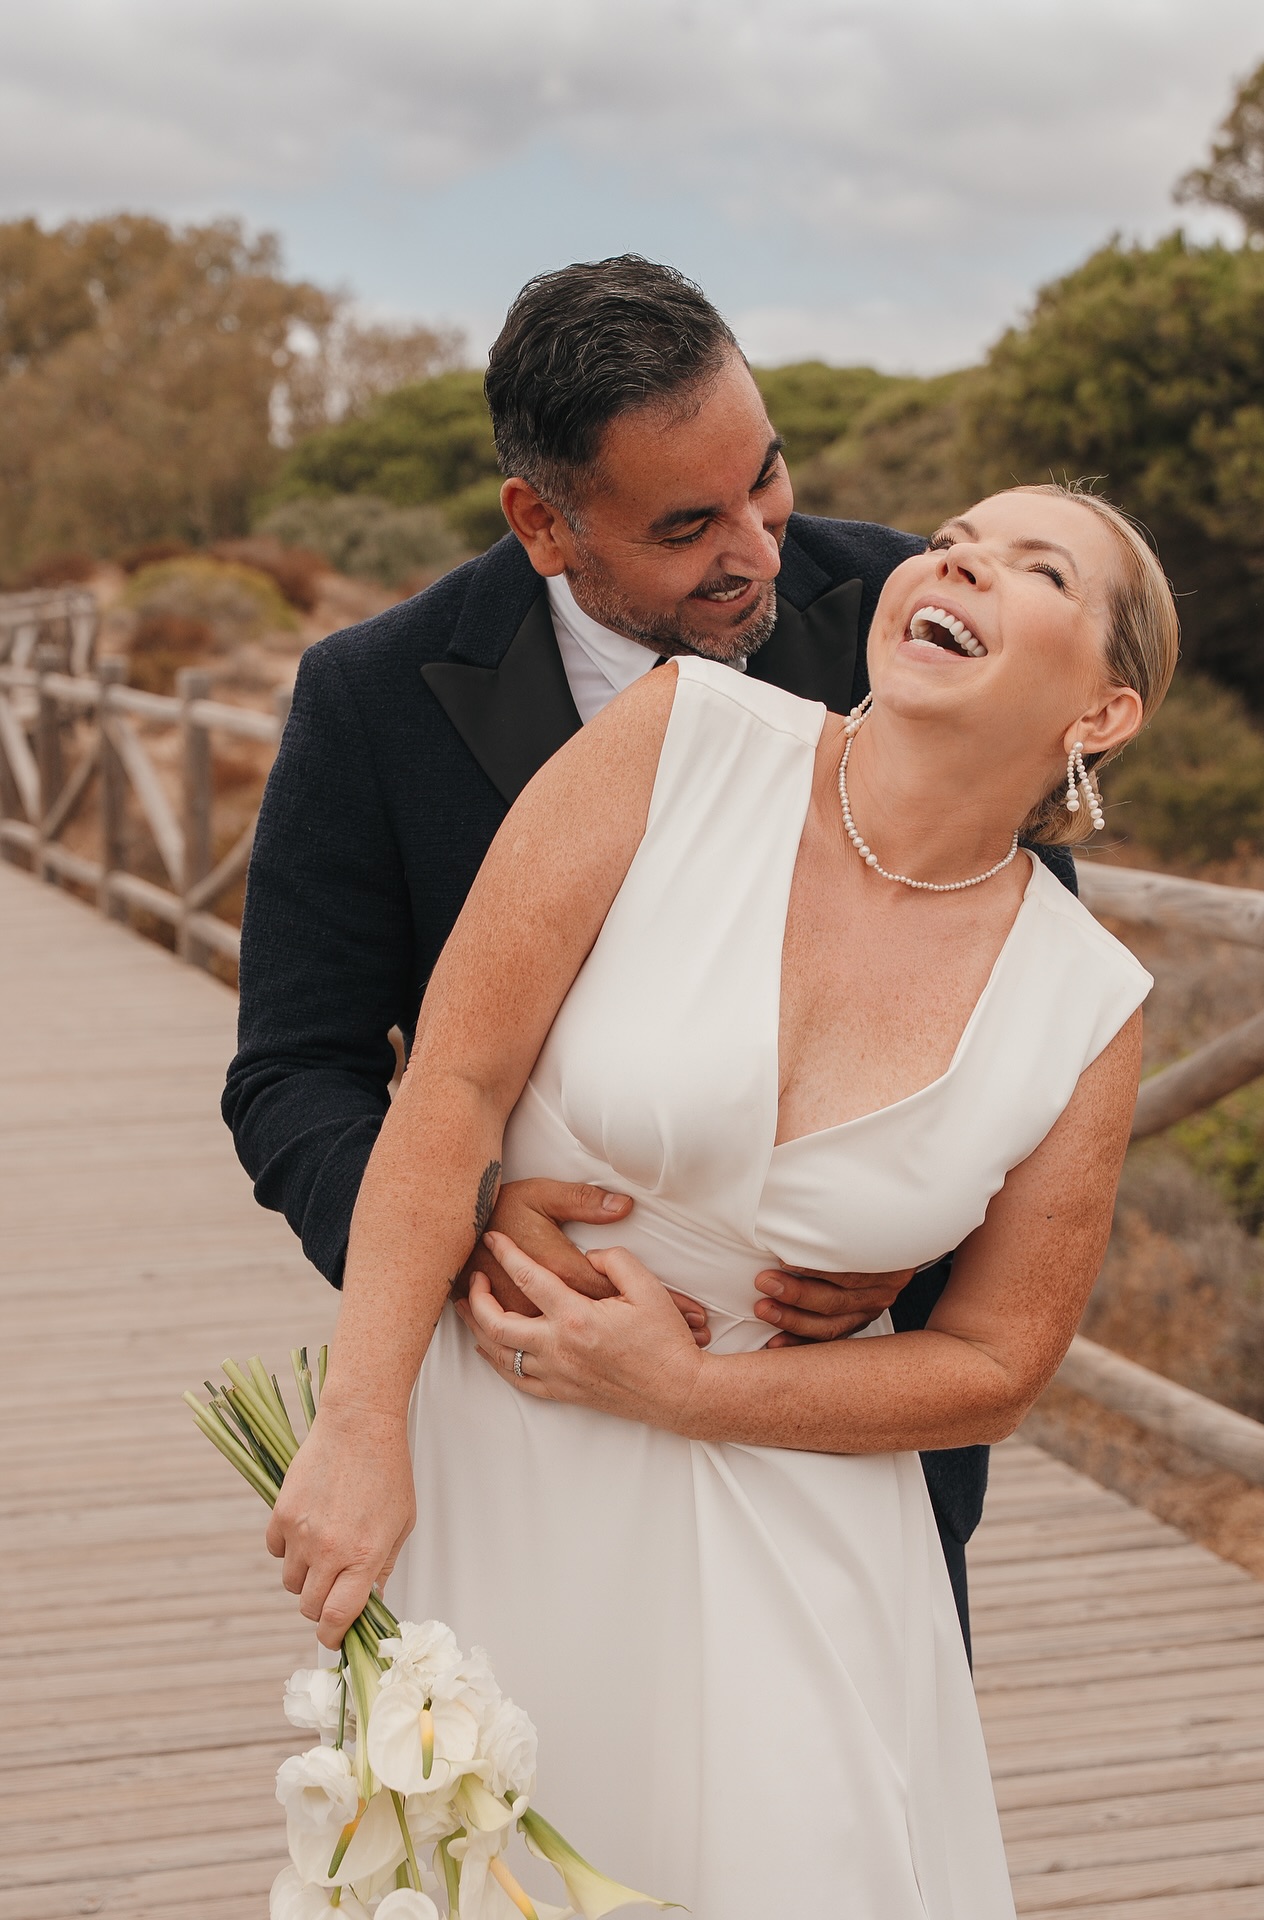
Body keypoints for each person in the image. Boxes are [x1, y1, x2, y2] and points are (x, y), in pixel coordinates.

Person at [266, 476, 1178, 1916]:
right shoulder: (681, 737)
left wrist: (686, 1392)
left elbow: (999, 1364)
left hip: (807, 1531)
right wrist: (360, 1425)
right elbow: (450, 1085)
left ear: (1104, 714)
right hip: (508, 1450)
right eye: (951, 545)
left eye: (1035, 568)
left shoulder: (1087, 1005)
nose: (962, 566)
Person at [224, 256, 1079, 1646]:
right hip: (527, 1425)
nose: (758, 548)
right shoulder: (372, 700)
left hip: (848, 1447)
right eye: (690, 524)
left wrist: (921, 1223)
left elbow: (1028, 995)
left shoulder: (912, 620)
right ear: (543, 525)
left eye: (770, 477)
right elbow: (293, 1075)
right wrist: (475, 1237)